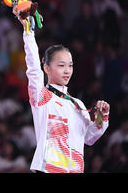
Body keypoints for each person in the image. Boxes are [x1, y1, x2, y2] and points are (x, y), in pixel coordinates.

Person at [17, 11, 110, 173]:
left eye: (70, 65)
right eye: (61, 65)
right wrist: (28, 32)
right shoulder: (44, 96)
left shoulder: (77, 104)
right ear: (46, 67)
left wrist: (102, 117)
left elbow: (89, 138)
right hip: (48, 169)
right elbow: (33, 69)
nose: (67, 71)